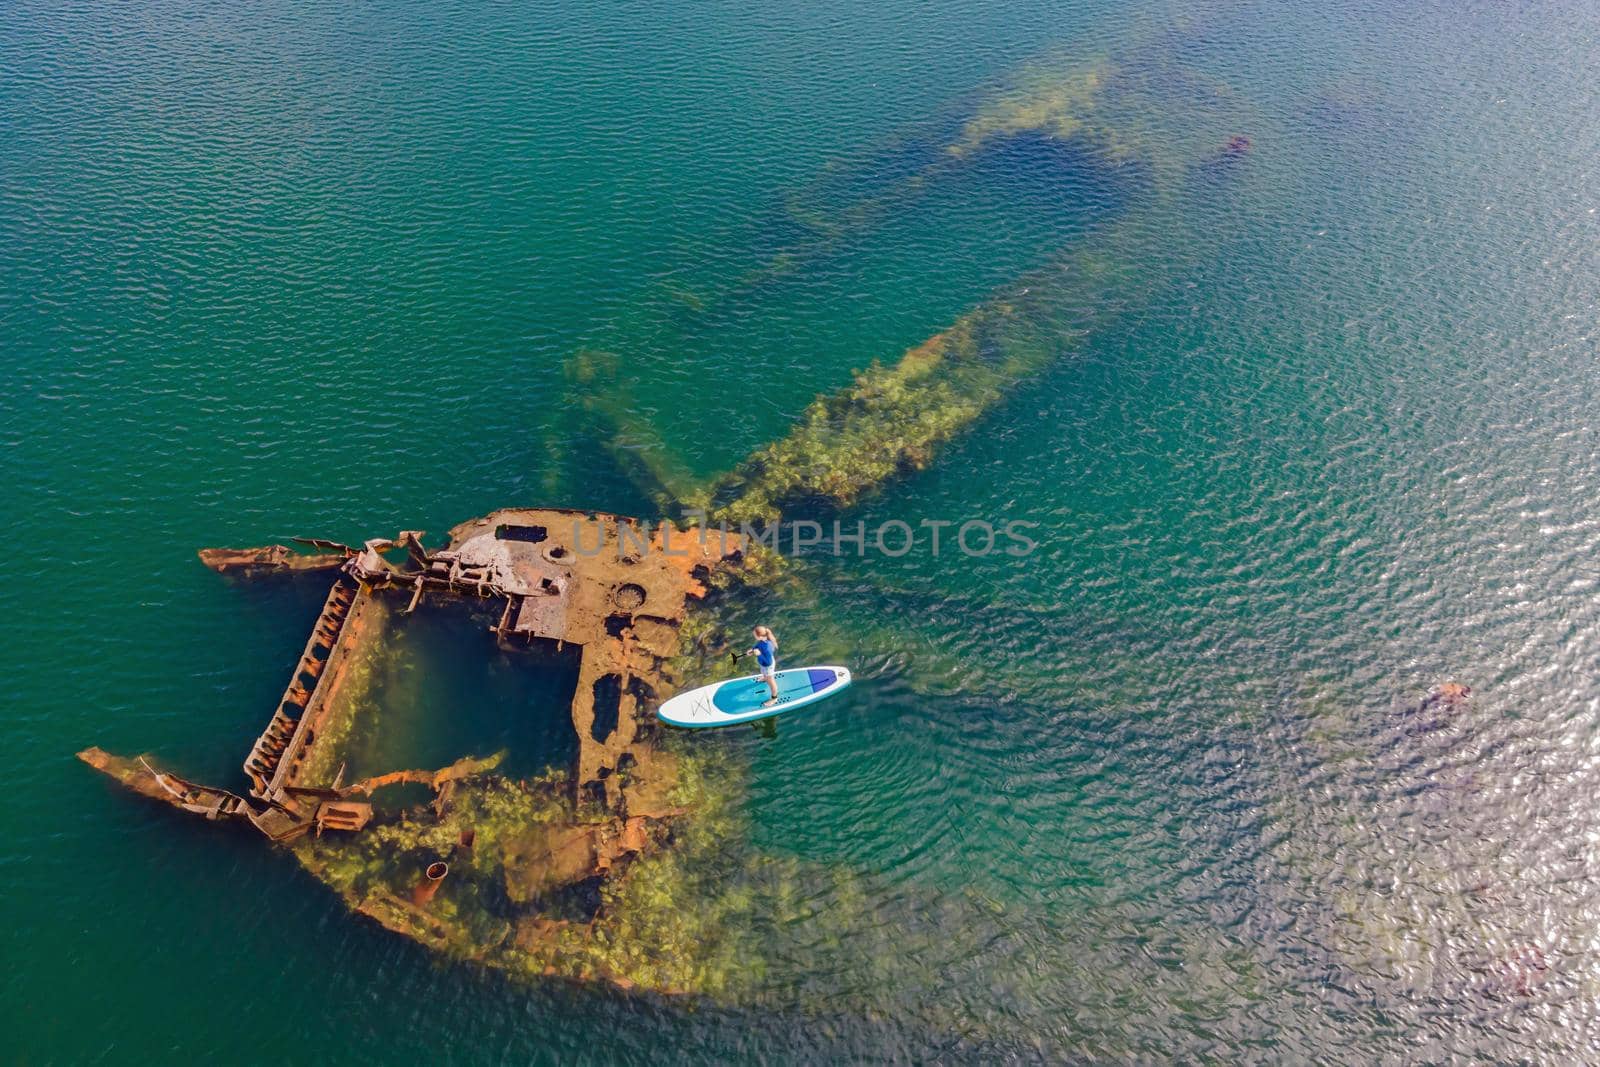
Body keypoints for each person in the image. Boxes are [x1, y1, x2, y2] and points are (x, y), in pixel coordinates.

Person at [746, 625, 779, 707]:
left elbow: (768, 662)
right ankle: (765, 678)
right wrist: (752, 650)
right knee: (764, 673)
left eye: (755, 635)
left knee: (771, 682)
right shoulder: (763, 640)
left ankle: (774, 698)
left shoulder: (767, 647)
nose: (754, 637)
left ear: (760, 636)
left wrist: (759, 655)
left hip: (768, 665)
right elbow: (758, 645)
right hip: (764, 664)